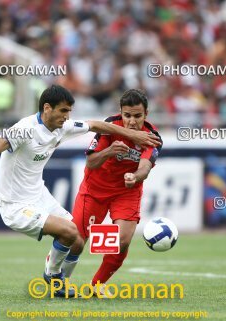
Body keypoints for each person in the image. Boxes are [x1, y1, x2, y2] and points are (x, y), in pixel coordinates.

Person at [0, 85, 160, 297]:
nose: (68, 117)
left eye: (70, 112)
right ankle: (53, 276)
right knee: (69, 232)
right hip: (15, 204)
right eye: (64, 111)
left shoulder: (62, 126)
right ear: (47, 108)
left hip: (39, 196)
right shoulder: (24, 129)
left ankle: (61, 283)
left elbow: (94, 124)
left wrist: (133, 135)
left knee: (76, 239)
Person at [60, 89, 162, 297]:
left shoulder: (152, 137)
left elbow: (145, 166)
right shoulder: (109, 126)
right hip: (94, 190)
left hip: (126, 191)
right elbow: (91, 161)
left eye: (137, 116)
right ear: (121, 113)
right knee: (77, 241)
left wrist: (135, 177)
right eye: (127, 115)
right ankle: (57, 278)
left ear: (146, 114)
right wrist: (109, 151)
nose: (132, 121)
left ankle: (96, 285)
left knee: (122, 240)